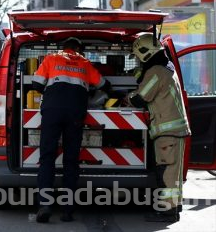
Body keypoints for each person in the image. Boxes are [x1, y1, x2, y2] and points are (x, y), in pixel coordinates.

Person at [31, 37, 109, 223]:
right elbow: (104, 85)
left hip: (52, 112)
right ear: (78, 49)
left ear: (63, 48)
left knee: (47, 157)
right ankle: (67, 211)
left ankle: (45, 205)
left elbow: (36, 84)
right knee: (71, 160)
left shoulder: (51, 59)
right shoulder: (84, 63)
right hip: (75, 113)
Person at [127, 34, 190, 222]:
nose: (138, 61)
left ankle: (167, 212)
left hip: (167, 132)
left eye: (138, 56)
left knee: (166, 172)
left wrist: (127, 98)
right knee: (173, 171)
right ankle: (174, 206)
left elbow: (141, 97)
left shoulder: (156, 71)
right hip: (175, 131)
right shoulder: (165, 68)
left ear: (146, 53)